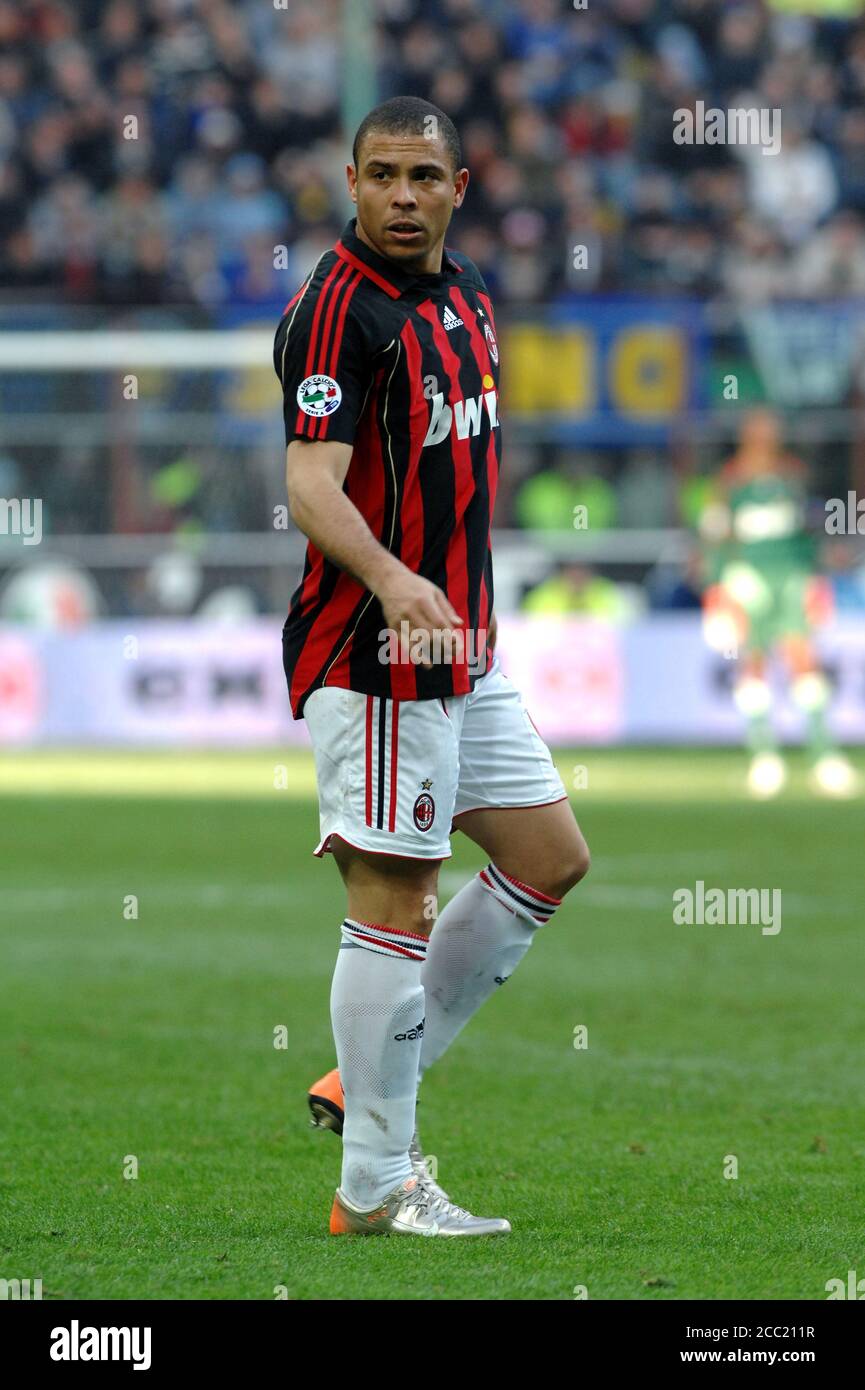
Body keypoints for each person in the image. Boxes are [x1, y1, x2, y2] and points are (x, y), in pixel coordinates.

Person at [273, 96, 590, 1237]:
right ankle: (375, 1181)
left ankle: (365, 1082)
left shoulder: (467, 298)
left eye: (423, 175)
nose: (402, 195)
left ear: (462, 185)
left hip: (463, 646)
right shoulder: (334, 313)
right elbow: (312, 484)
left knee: (548, 856)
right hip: (377, 648)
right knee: (393, 899)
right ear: (349, 183)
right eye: (381, 175)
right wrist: (394, 579)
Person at [699, 408, 858, 799]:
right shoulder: (730, 481)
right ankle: (765, 756)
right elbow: (715, 538)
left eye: (771, 429)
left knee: (803, 659)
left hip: (790, 579)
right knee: (753, 663)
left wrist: (816, 577)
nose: (767, 436)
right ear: (746, 435)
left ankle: (824, 756)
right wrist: (719, 589)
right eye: (759, 429)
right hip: (748, 580)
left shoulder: (793, 476)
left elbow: (808, 533)